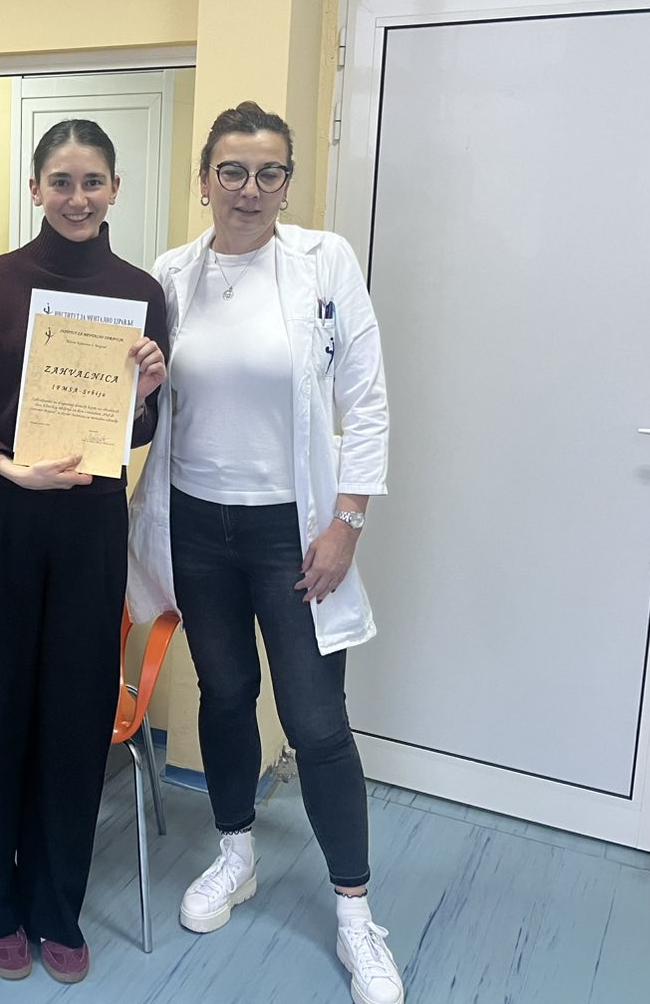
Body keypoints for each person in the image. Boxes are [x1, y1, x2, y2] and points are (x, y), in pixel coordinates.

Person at [127, 102, 402, 1004]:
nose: (249, 189)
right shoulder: (172, 273)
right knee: (225, 692)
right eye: (233, 171)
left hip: (294, 529)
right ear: (204, 178)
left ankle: (356, 913)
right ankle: (235, 851)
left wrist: (347, 522)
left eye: (269, 173)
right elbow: (146, 402)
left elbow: (366, 397)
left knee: (317, 721)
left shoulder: (325, 262)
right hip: (196, 522)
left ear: (287, 182)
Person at [0, 119, 168, 985]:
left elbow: (134, 429)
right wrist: (3, 466)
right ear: (36, 189)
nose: (76, 197)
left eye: (92, 181)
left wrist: (144, 394)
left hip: (89, 527)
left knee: (72, 717)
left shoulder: (140, 293)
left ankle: (55, 906)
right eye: (60, 181)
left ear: (114, 190)